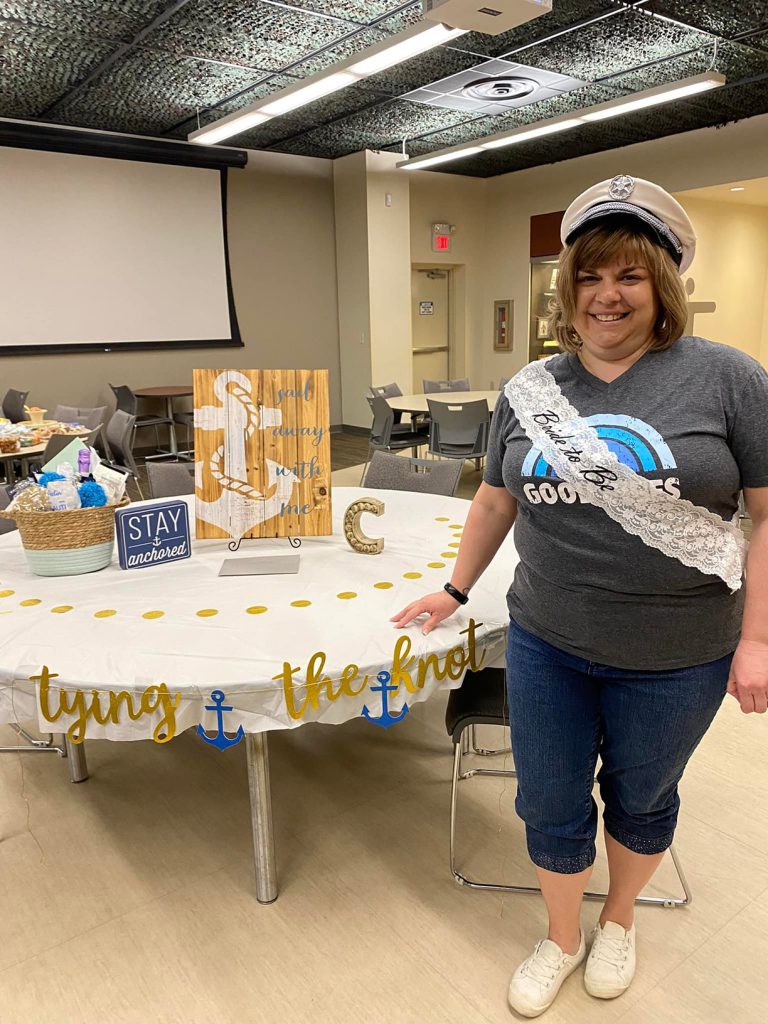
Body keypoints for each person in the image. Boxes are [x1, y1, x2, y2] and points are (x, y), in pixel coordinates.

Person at [392, 175, 768, 1018]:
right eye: (590, 276)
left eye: (630, 275)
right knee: (549, 798)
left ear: (665, 282)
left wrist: (758, 641)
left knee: (643, 797)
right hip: (548, 640)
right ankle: (561, 937)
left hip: (681, 653)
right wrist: (455, 589)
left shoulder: (730, 380)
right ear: (567, 289)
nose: (607, 295)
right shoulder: (532, 388)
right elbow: (495, 498)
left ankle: (621, 920)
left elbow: (766, 514)